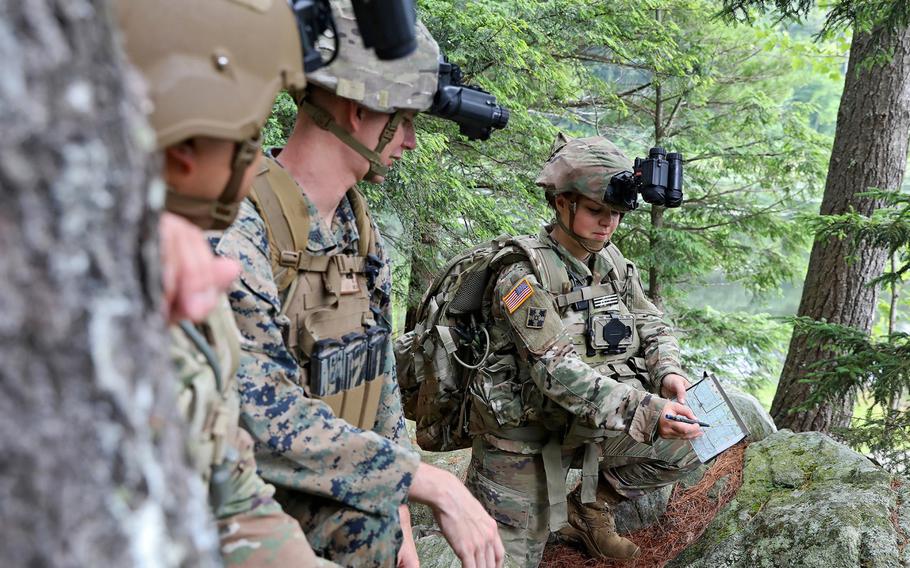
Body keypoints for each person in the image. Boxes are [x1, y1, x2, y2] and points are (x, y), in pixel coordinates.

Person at [213, 1, 504, 566]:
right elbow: (260, 415)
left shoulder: (358, 232)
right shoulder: (238, 232)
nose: (412, 140)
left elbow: (379, 388)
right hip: (251, 515)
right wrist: (431, 484)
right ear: (356, 109)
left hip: (341, 498)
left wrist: (402, 526)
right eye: (407, 119)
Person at [114, 0, 335, 565]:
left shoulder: (185, 286)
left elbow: (233, 493)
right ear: (186, 145)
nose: (262, 156)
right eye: (252, 135)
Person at [462, 134, 704, 566]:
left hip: (584, 422)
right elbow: (553, 367)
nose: (607, 223)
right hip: (521, 441)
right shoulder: (520, 274)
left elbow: (649, 320)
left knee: (683, 452)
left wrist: (667, 371)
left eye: (615, 214)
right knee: (510, 560)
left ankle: (587, 510)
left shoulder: (609, 260)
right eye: (596, 211)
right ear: (562, 203)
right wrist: (643, 410)